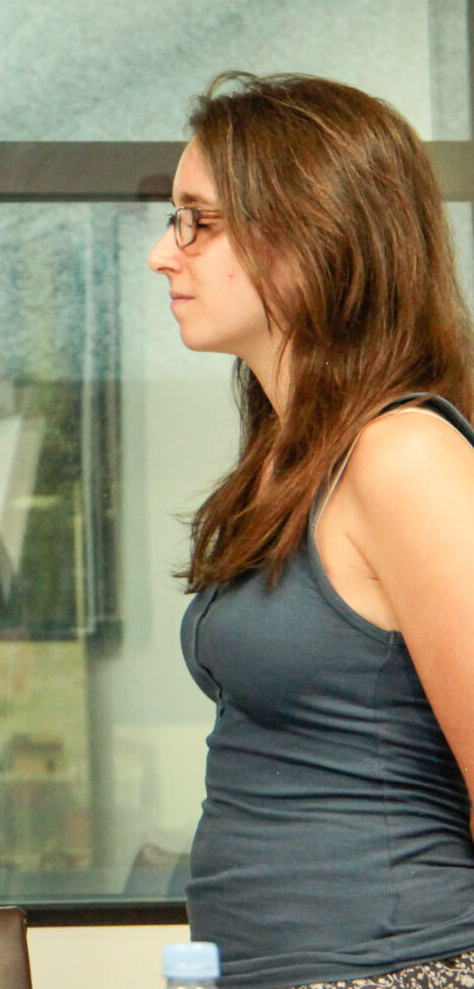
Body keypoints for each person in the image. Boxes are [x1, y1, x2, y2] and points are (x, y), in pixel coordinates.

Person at [149, 72, 474, 988]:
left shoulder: (403, 455)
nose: (163, 255)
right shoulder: (295, 459)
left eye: (196, 221)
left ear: (310, 234)